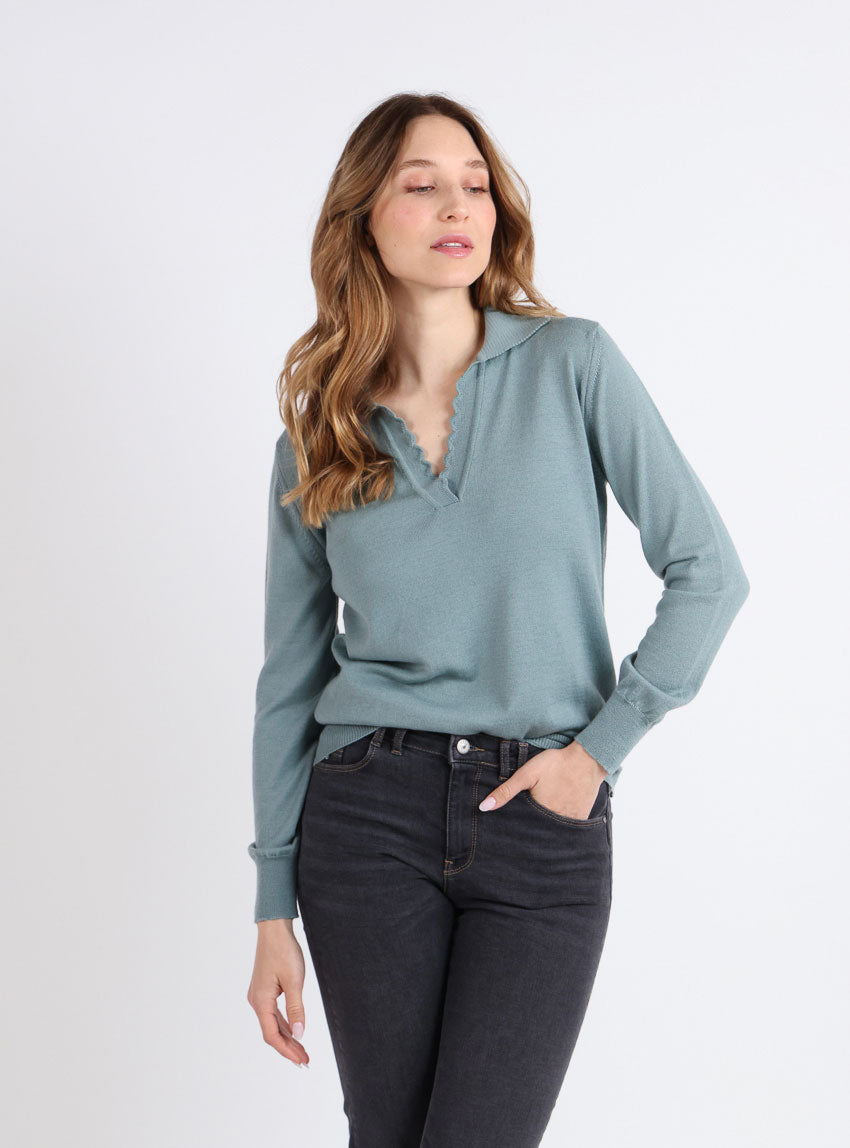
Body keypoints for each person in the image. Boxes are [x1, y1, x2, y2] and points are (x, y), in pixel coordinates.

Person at [245, 92, 750, 1148]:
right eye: (421, 184)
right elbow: (289, 677)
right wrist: (271, 902)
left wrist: (596, 755)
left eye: (473, 183)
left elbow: (709, 572)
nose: (456, 205)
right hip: (364, 818)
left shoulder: (574, 362)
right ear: (362, 218)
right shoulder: (321, 431)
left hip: (541, 815)